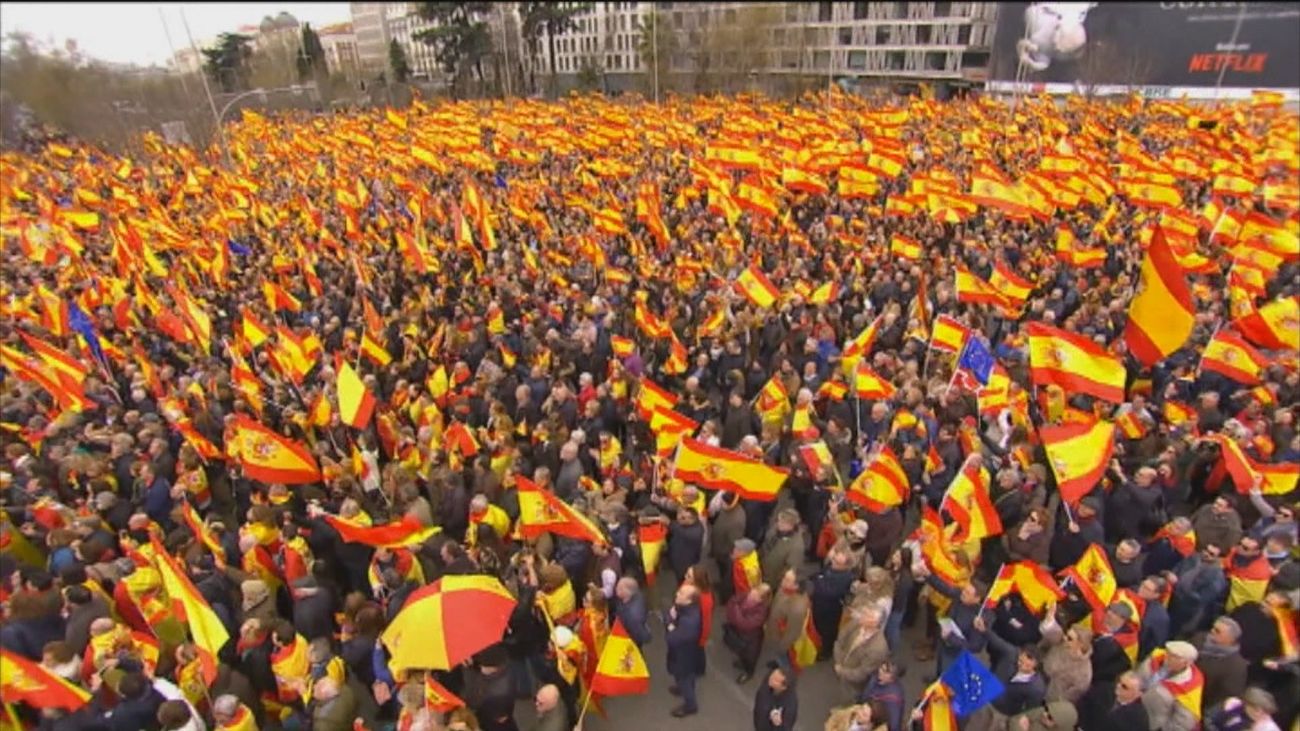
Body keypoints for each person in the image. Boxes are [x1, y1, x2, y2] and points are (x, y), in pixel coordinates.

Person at [833, 604, 890, 700]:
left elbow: (862, 673)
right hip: (843, 668)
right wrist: (838, 660)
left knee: (848, 700)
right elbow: (841, 638)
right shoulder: (857, 623)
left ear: (875, 623)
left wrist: (841, 671)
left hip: (853, 684)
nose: (862, 615)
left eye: (867, 615)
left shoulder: (878, 648)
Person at [665, 583, 705, 718]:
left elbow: (672, 639)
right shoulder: (686, 609)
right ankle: (682, 689)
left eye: (681, 593)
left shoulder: (689, 621)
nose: (677, 594)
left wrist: (670, 624)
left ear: (689, 600)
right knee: (686, 677)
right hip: (686, 653)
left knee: (685, 679)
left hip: (684, 656)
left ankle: (690, 705)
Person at [724, 583, 772, 684]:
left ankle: (748, 673)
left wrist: (736, 610)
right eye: (755, 590)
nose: (752, 594)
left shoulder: (762, 611)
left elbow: (744, 624)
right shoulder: (745, 595)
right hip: (739, 633)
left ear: (762, 599)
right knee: (741, 652)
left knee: (750, 658)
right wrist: (735, 613)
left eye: (757, 594)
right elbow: (732, 601)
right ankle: (742, 663)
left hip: (751, 639)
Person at [753, 662, 799, 731]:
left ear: (783, 687)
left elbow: (786, 728)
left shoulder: (790, 705)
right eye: (772, 674)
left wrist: (777, 724)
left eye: (775, 680)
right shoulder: (769, 680)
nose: (770, 678)